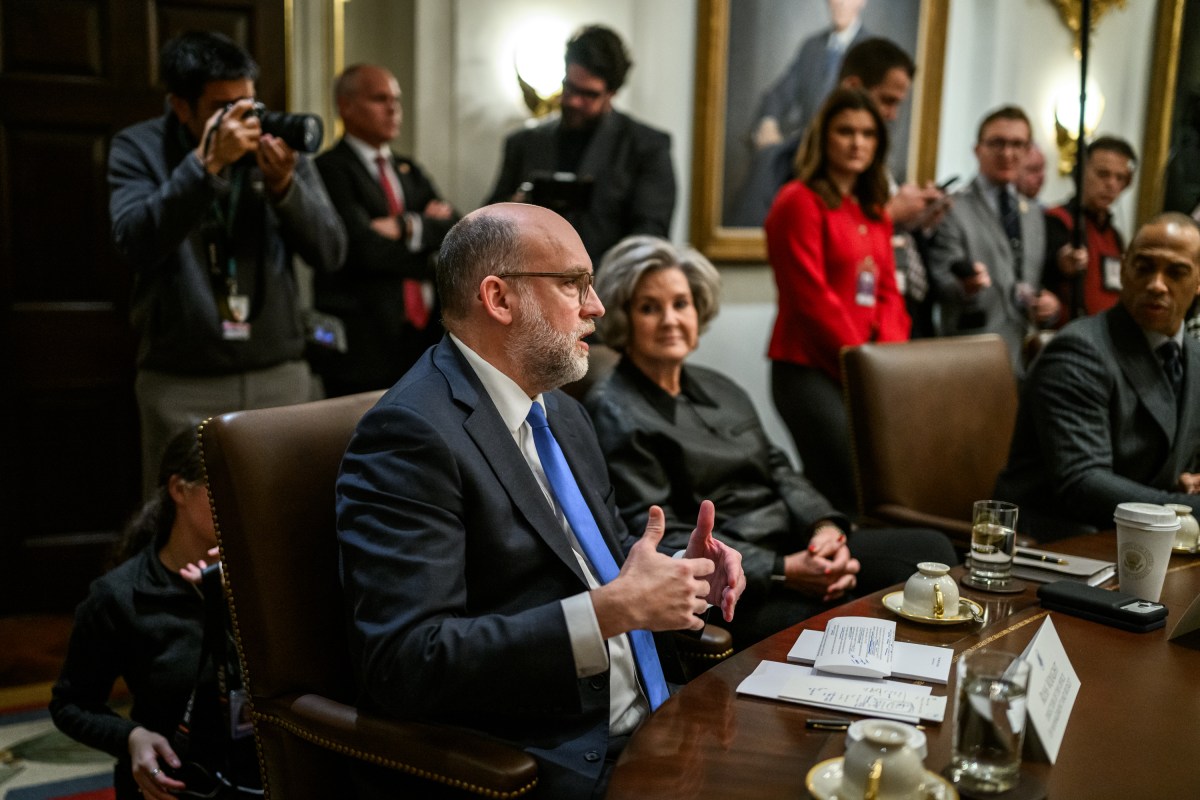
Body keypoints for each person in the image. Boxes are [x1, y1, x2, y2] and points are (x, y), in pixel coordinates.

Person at [336, 203, 745, 799]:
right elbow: (406, 663)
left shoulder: (563, 412)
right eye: (575, 283)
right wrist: (609, 612)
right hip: (550, 758)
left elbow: (595, 565)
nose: (597, 306)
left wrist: (683, 570)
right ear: (499, 299)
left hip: (663, 720)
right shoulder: (410, 436)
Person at [585, 235, 957, 648]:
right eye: (649, 308)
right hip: (738, 575)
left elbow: (779, 468)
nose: (671, 320)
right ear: (623, 318)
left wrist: (826, 532)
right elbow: (661, 534)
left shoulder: (720, 387)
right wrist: (783, 569)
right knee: (842, 617)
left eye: (681, 303)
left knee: (929, 549)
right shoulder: (616, 410)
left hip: (795, 542)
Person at [109, 31, 346, 497]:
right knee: (184, 532)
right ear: (181, 107)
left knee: (289, 520)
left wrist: (285, 191)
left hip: (279, 374)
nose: (244, 120)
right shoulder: (139, 148)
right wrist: (205, 168)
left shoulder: (274, 139)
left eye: (249, 104)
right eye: (225, 107)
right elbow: (135, 243)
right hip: (182, 381)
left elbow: (332, 251)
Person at [50, 429, 256, 800]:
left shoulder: (262, 575)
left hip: (263, 777)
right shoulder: (120, 595)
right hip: (174, 785)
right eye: (223, 486)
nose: (241, 498)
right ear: (179, 490)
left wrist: (238, 604)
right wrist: (131, 737)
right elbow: (70, 704)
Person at [995, 213, 1200, 540]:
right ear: (1124, 269)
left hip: (1140, 537)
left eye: (1176, 272)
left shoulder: (1194, 355)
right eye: (1144, 267)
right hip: (1058, 540)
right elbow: (1082, 483)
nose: (1157, 284)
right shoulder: (1079, 351)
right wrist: (1184, 509)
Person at [765, 87, 910, 516]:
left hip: (866, 369)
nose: (857, 142)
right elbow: (811, 300)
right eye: (845, 131)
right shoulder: (798, 201)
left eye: (868, 133)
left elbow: (887, 293)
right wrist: (863, 364)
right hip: (809, 370)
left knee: (880, 486)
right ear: (823, 137)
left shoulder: (874, 210)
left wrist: (887, 360)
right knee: (845, 485)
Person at [311, 64, 459, 396]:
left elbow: (457, 228)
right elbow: (361, 250)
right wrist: (425, 243)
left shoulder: (407, 169)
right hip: (362, 347)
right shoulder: (328, 170)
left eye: (396, 99)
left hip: (422, 341)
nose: (393, 108)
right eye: (380, 99)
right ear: (346, 106)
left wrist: (405, 225)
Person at [486, 25, 676, 267]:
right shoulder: (523, 143)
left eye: (588, 94)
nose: (573, 101)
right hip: (530, 284)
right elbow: (487, 221)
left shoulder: (646, 147)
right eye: (569, 87)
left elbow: (649, 237)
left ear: (612, 93)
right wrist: (515, 207)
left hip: (608, 290)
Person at [926, 105, 1061, 375]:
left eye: (1017, 144)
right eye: (997, 143)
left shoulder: (1034, 213)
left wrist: (1050, 306)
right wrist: (966, 285)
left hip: (1023, 360)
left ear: (1027, 151)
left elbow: (1031, 277)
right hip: (967, 358)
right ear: (978, 149)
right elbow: (941, 281)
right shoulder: (951, 207)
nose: (1007, 153)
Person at [1042, 136, 1137, 319]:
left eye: (1120, 178)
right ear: (1081, 173)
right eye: (1103, 174)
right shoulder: (1057, 220)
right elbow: (1045, 270)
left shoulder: (1114, 234)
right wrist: (1061, 262)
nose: (1111, 184)